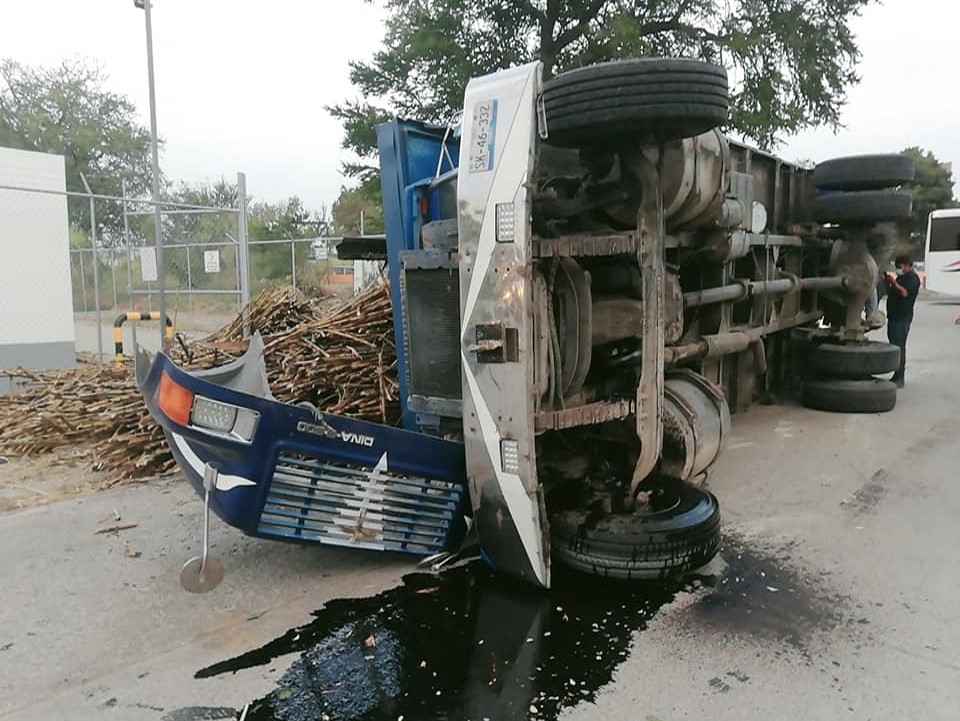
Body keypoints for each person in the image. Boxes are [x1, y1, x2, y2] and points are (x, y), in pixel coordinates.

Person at [884, 254, 922, 387]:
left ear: (905, 265)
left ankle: (900, 377)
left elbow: (904, 293)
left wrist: (894, 282)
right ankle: (896, 375)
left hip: (902, 318)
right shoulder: (903, 277)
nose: (897, 269)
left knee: (899, 347)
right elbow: (893, 292)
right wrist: (888, 282)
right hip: (895, 317)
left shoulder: (912, 277)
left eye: (898, 267)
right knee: (895, 345)